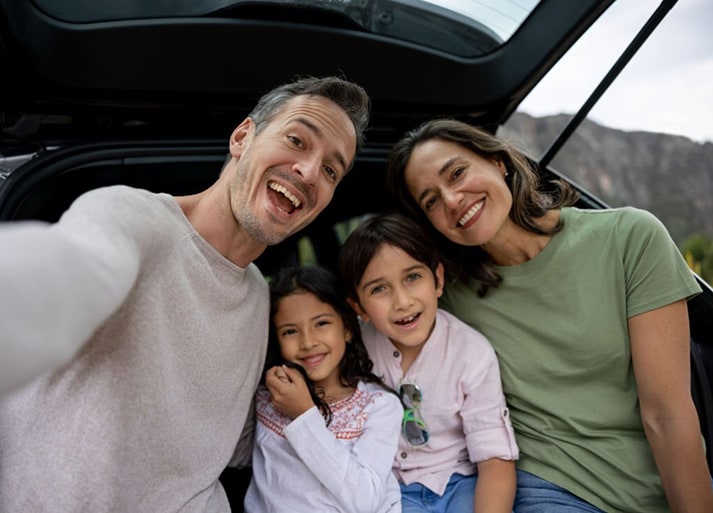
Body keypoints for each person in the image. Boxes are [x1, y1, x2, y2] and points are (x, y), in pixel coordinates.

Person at [0, 75, 370, 513]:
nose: (310, 172)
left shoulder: (257, 299)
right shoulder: (135, 218)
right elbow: (60, 276)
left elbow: (237, 447)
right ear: (242, 137)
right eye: (296, 140)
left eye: (331, 169)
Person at [385, 118, 713, 513]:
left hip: (660, 479)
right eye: (431, 201)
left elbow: (667, 414)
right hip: (546, 487)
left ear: (497, 160)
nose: (452, 200)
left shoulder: (630, 237)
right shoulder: (444, 298)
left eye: (457, 173)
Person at [338, 211, 519, 513]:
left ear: (437, 279)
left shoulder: (471, 353)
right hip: (387, 487)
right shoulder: (352, 347)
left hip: (460, 481)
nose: (402, 301)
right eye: (379, 289)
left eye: (412, 277)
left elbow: (494, 459)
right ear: (359, 306)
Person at [243, 264, 403, 513]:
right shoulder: (265, 396)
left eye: (321, 323)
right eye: (290, 331)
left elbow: (364, 501)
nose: (308, 342)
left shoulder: (378, 406)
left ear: (348, 328)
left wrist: (305, 414)